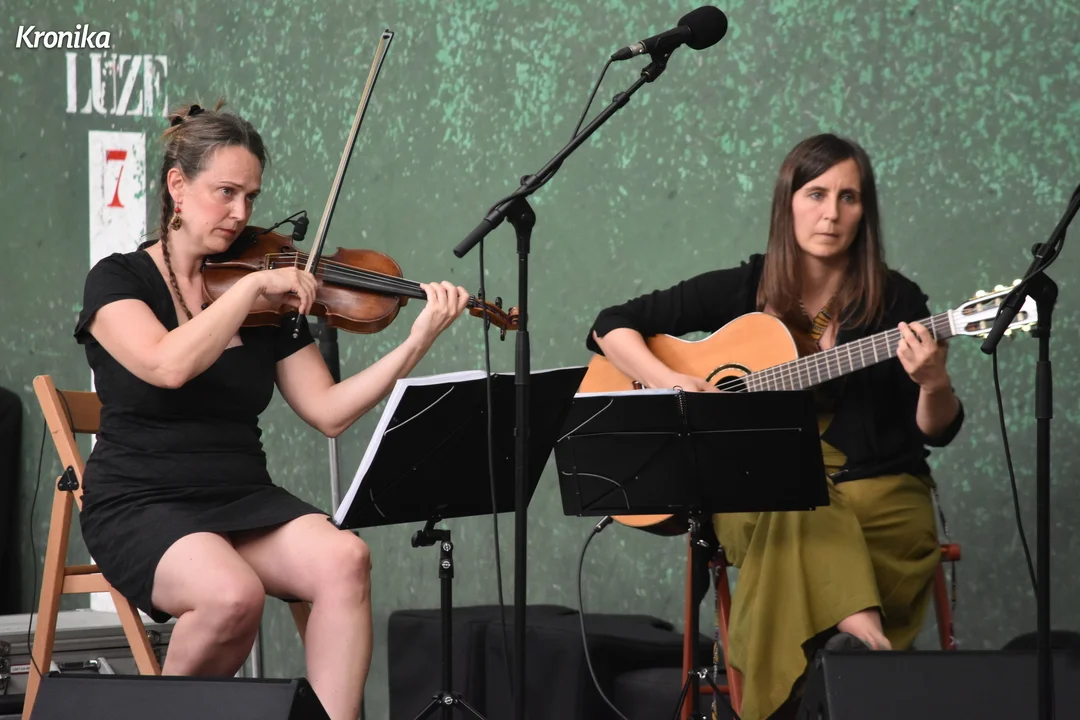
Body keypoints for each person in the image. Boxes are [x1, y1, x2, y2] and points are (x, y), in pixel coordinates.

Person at [74, 100, 470, 720]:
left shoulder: (264, 292)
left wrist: (415, 344)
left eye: (251, 197)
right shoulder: (119, 280)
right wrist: (255, 288)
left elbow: (329, 410)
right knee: (232, 595)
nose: (241, 214)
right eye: (225, 193)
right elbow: (167, 364)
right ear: (178, 186)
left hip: (240, 494)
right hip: (142, 498)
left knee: (344, 559)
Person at [585, 134, 964, 719]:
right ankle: (865, 641)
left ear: (864, 212)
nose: (831, 213)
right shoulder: (747, 288)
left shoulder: (898, 302)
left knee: (802, 511)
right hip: (755, 493)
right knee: (788, 489)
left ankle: (797, 690)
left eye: (848, 197)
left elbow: (935, 431)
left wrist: (933, 383)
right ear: (788, 202)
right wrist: (672, 380)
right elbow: (610, 325)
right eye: (816, 194)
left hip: (879, 491)